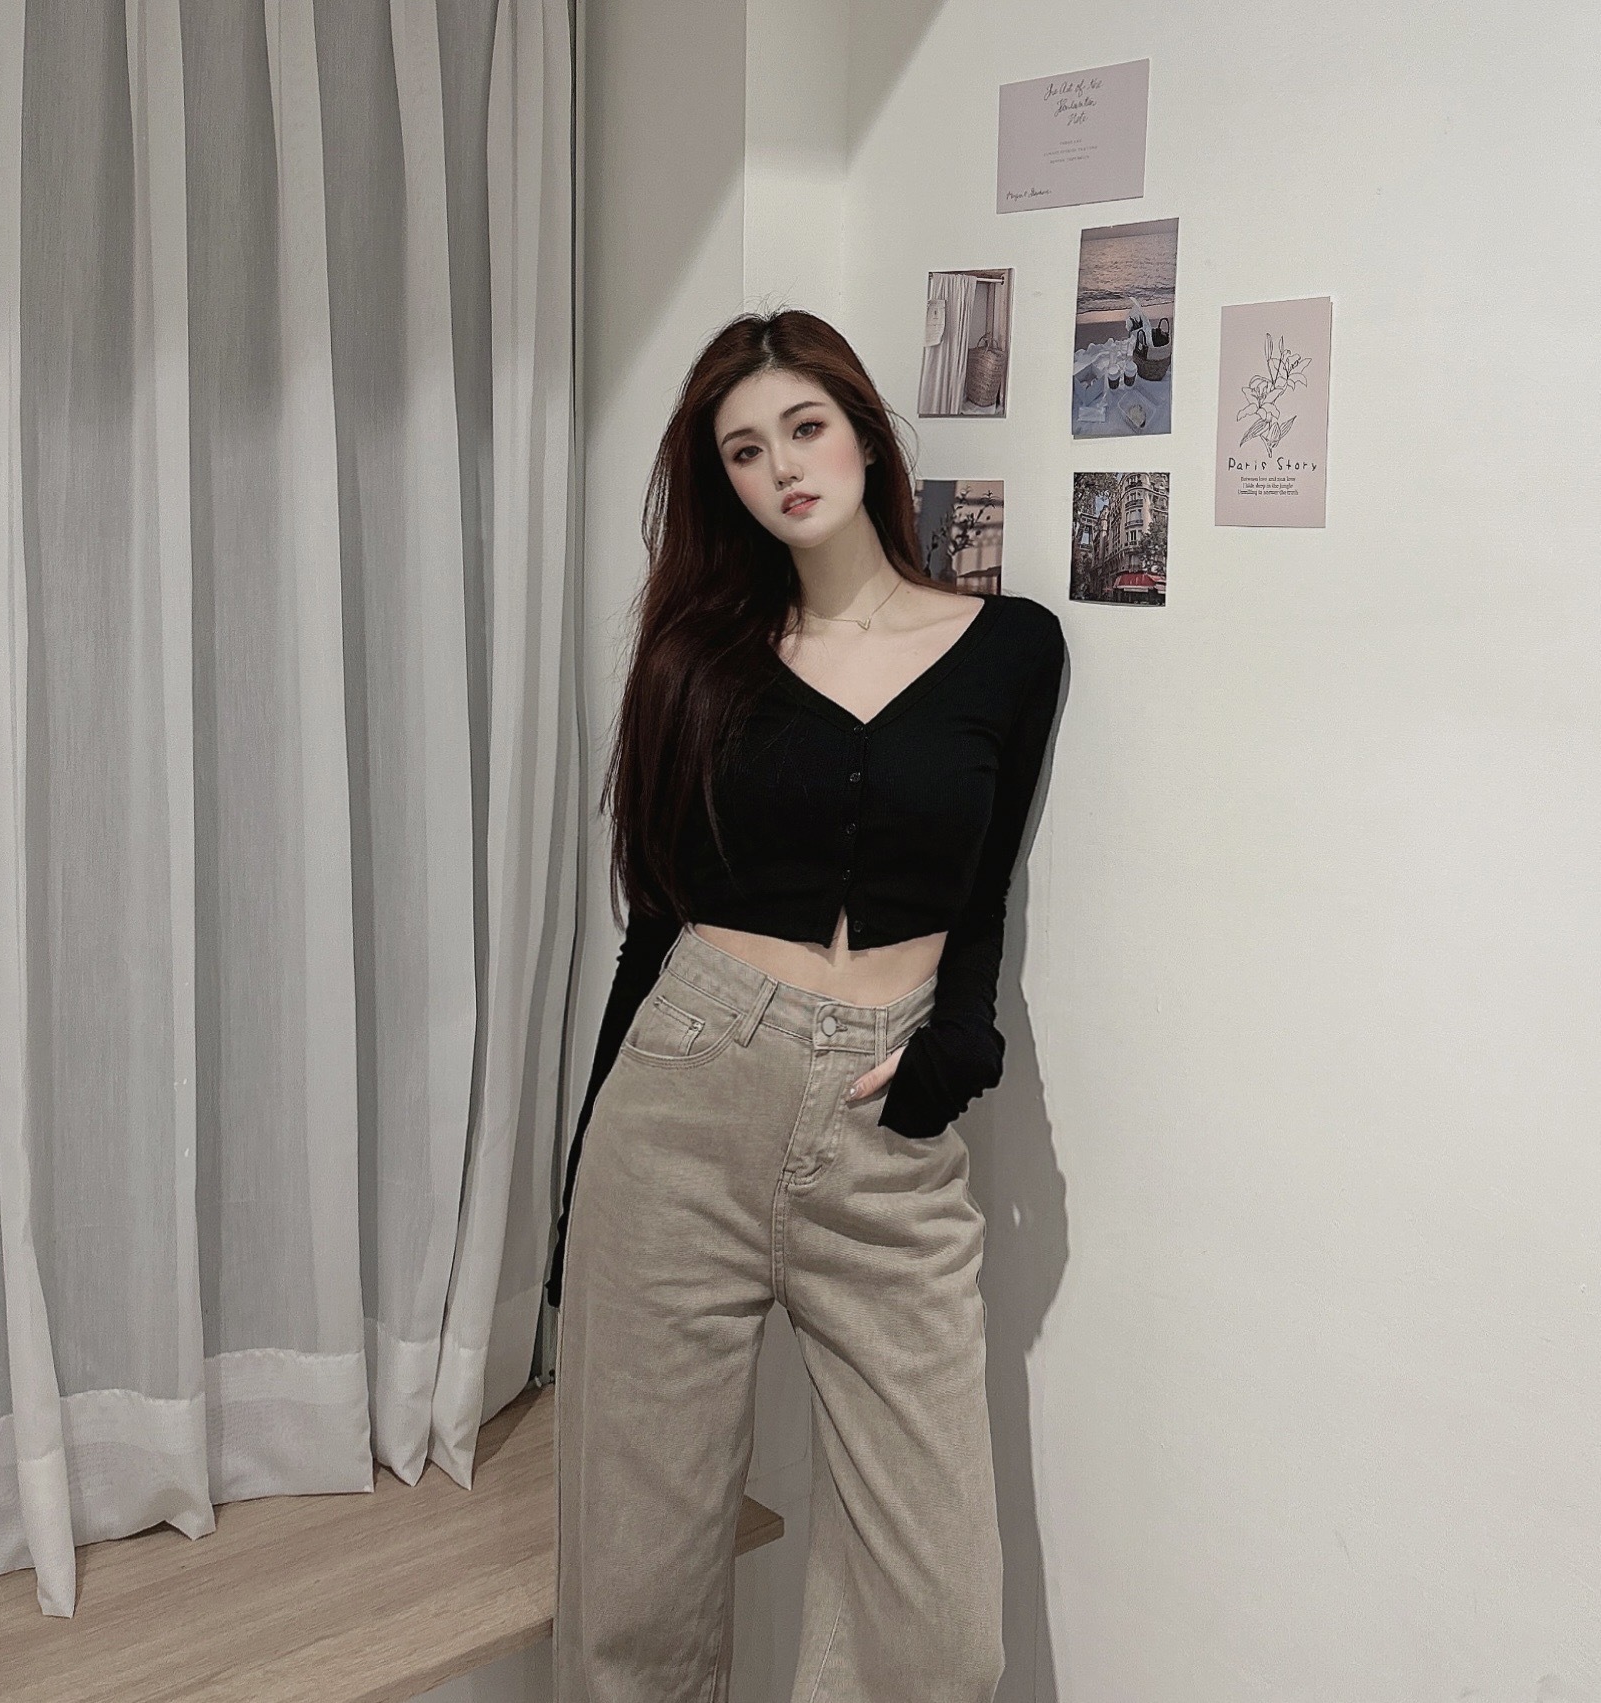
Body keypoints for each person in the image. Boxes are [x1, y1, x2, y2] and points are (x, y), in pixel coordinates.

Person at [548, 308, 1064, 1701]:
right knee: (637, 1609)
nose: (782, 465)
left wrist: (962, 1037)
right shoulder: (698, 657)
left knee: (940, 1636)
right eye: (743, 451)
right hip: (684, 1104)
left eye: (804, 426)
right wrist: (582, 1189)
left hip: (885, 1136)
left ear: (862, 434)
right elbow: (654, 925)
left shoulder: (1011, 648)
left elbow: (986, 882)